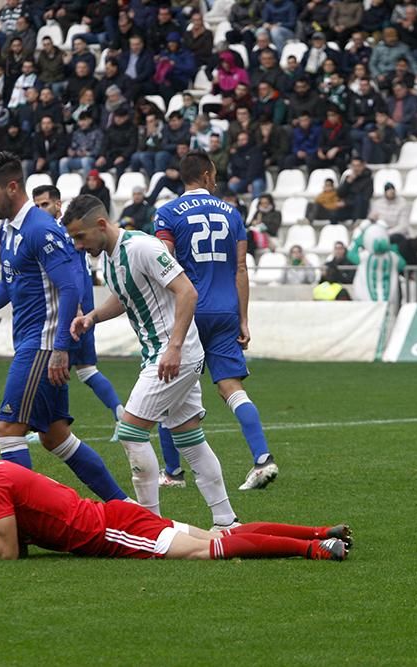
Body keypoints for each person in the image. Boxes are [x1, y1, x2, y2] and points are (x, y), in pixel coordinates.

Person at [0, 152, 127, 503]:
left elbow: (72, 286)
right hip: (35, 342)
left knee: (9, 431)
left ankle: (27, 519)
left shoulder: (40, 229)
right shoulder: (9, 228)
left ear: (12, 187)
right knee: (56, 437)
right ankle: (124, 504)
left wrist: (60, 348)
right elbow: (8, 285)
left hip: (43, 344)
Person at [63, 195, 239, 528]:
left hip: (173, 354)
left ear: (101, 225)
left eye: (80, 236)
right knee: (190, 438)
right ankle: (226, 519)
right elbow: (125, 296)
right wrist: (92, 317)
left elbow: (187, 291)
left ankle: (150, 526)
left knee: (130, 431)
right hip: (163, 354)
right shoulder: (110, 258)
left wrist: (173, 347)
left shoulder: (142, 247)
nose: (77, 244)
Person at [0, 460, 352, 560]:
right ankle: (316, 533)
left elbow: (8, 551)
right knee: (219, 537)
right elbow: (14, 539)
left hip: (108, 531)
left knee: (209, 552)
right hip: (114, 518)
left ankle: (313, 550)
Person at [154, 151, 278, 491]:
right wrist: (243, 318)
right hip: (225, 310)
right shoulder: (232, 214)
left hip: (189, 311)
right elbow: (240, 268)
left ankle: (173, 473)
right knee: (232, 388)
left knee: (169, 389)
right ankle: (262, 459)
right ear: (208, 175)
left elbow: (165, 263)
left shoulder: (166, 213)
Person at [32, 185, 125, 439]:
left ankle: (45, 426)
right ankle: (120, 415)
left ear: (58, 205)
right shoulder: (59, 234)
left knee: (55, 368)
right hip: (79, 311)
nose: (41, 210)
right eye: (36, 206)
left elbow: (76, 278)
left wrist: (80, 308)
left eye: (45, 205)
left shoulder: (65, 235)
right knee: (85, 370)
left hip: (74, 314)